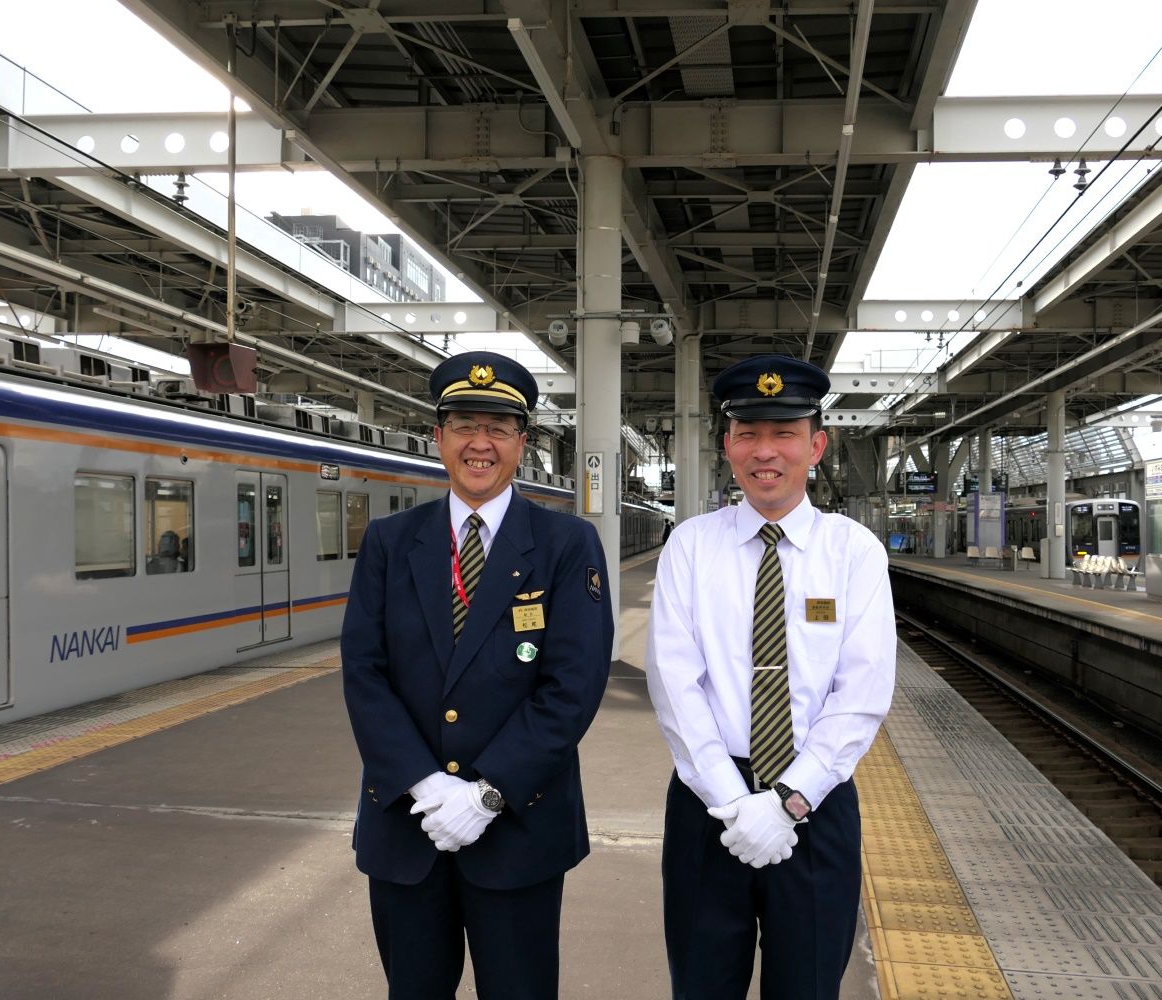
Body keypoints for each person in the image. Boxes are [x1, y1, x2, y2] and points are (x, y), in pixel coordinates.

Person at [341, 350, 614, 1000]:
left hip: (519, 828)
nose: (480, 443)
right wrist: (427, 784)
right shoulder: (389, 541)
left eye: (498, 427)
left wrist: (487, 793)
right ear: (439, 438)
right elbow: (364, 673)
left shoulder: (565, 544)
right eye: (464, 425)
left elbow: (572, 687)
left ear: (523, 442)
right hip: (409, 825)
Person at [645, 354, 897, 1000]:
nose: (766, 451)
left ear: (817, 444)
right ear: (727, 444)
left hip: (816, 813)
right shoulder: (689, 548)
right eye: (749, 433)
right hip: (709, 811)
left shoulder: (855, 553)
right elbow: (675, 685)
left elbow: (862, 691)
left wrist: (789, 799)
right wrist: (735, 804)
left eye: (784, 433)